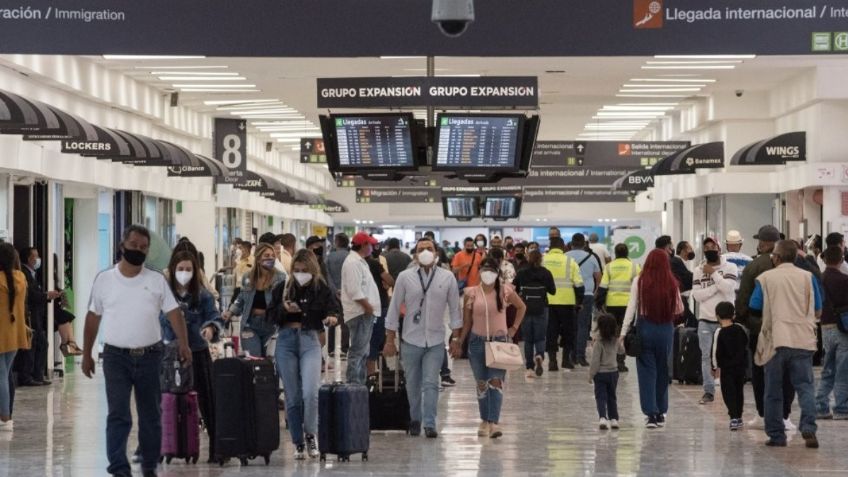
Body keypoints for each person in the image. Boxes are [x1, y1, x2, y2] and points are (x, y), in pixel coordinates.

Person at [82, 225, 192, 477]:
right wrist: (87, 353)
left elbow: (174, 313)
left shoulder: (155, 281)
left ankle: (150, 466)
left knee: (150, 414)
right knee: (118, 414)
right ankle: (119, 469)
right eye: (134, 245)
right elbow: (92, 317)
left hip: (151, 356)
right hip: (114, 357)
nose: (138, 251)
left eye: (144, 247)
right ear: (122, 246)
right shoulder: (105, 279)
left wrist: (183, 344)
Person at [383, 238, 462, 438]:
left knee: (431, 382)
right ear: (415, 255)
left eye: (429, 249)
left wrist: (456, 339)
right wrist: (389, 340)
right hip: (410, 339)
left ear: (436, 254)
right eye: (421, 249)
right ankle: (415, 419)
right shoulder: (404, 277)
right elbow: (393, 310)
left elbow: (455, 309)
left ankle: (429, 423)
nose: (425, 252)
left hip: (436, 339)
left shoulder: (447, 278)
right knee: (413, 383)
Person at [748, 240, 822, 449]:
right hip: (803, 340)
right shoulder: (808, 277)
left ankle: (776, 436)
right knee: (805, 387)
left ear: (778, 258)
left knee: (773, 390)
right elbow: (817, 308)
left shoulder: (765, 278)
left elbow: (754, 307)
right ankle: (808, 426)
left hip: (775, 341)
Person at [270, 249, 339, 459]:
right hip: (286, 342)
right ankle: (297, 441)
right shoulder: (282, 288)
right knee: (293, 396)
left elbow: (333, 309)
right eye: (297, 270)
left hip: (310, 341)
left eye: (305, 270)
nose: (300, 274)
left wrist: (331, 318)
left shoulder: (321, 288)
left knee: (311, 392)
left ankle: (311, 434)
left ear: (313, 270)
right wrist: (284, 310)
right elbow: (271, 316)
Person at [159, 250, 223, 463]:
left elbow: (215, 318)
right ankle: (158, 446)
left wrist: (210, 329)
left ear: (195, 271)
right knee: (163, 400)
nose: (184, 273)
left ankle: (216, 448)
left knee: (208, 402)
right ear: (173, 270)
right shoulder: (164, 294)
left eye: (188, 269)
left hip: (197, 353)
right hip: (170, 357)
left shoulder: (202, 295)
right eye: (180, 269)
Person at [454, 258, 526, 439]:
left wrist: (514, 328)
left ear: (497, 272)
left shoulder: (505, 291)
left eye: (491, 270)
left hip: (499, 343)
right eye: (484, 269)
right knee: (481, 383)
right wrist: (459, 341)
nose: (487, 273)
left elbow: (521, 307)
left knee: (495, 381)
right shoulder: (471, 293)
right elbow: (467, 321)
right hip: (477, 343)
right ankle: (484, 419)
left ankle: (493, 422)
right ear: (479, 271)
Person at [736, 225, 796, 430]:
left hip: (759, 329)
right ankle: (785, 415)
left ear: (762, 243)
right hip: (787, 328)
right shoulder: (795, 266)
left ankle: (763, 414)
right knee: (787, 373)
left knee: (760, 372)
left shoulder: (754, 266)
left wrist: (747, 322)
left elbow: (743, 299)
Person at [620, 249, 683, 429]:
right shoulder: (672, 283)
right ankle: (662, 411)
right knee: (663, 370)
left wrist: (623, 333)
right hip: (665, 329)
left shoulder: (639, 281)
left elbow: (631, 308)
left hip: (645, 328)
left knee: (647, 371)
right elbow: (678, 309)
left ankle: (651, 414)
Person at [691, 237, 738, 405]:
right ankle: (708, 391)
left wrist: (713, 274)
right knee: (705, 356)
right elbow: (697, 295)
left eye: (713, 246)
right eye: (706, 247)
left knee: (727, 356)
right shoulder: (698, 270)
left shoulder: (730, 266)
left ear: (719, 248)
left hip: (725, 320)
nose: (710, 249)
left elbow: (728, 288)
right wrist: (715, 286)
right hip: (705, 319)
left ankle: (728, 388)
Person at [223, 243, 285, 358]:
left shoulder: (280, 278)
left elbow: (283, 302)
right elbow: (241, 298)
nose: (270, 258)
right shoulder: (248, 277)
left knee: (270, 363)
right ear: (258, 258)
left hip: (272, 326)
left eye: (272, 255)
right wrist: (230, 312)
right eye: (266, 255)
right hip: (250, 325)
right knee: (254, 361)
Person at [14, 247, 61, 385]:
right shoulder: (23, 274)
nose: (38, 259)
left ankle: (38, 375)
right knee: (32, 345)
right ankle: (27, 376)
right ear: (29, 258)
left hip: (37, 315)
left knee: (41, 344)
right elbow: (30, 296)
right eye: (36, 256)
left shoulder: (33, 274)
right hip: (30, 316)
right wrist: (46, 295)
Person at [341, 232, 381, 385]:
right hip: (360, 313)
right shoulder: (353, 263)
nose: (372, 247)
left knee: (363, 351)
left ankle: (360, 385)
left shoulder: (359, 261)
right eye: (370, 244)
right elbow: (354, 290)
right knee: (358, 352)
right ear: (364, 245)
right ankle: (354, 386)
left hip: (363, 313)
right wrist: (368, 307)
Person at [543, 236, 585, 371]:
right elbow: (579, 284)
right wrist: (580, 301)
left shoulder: (543, 260)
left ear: (550, 247)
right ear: (563, 247)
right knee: (568, 332)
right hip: (567, 302)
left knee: (551, 331)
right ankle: (566, 360)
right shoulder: (570, 261)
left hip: (547, 302)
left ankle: (552, 361)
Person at [815, 246, 848, 420]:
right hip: (843, 328)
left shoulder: (819, 279)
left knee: (828, 368)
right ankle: (842, 408)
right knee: (843, 370)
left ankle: (821, 407)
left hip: (825, 326)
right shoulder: (845, 280)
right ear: (841, 260)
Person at [596, 243, 640, 372]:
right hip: (628, 305)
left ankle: (612, 359)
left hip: (612, 304)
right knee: (624, 332)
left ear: (615, 253)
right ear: (627, 253)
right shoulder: (634, 267)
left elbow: (603, 287)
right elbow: (640, 285)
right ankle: (621, 360)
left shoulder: (609, 267)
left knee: (612, 332)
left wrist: (599, 303)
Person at [514, 249, 556, 378]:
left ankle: (530, 367)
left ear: (528, 258)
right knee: (540, 337)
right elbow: (553, 291)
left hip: (525, 309)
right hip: (542, 308)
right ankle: (539, 355)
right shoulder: (546, 273)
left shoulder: (522, 273)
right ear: (540, 259)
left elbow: (513, 288)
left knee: (528, 340)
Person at [0, 243, 28, 432]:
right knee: (6, 374)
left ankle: (5, 417)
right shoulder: (21, 277)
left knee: (2, 376)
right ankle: (7, 413)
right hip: (15, 334)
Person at [710, 302, 749, 431]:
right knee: (739, 392)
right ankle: (739, 416)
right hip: (740, 367)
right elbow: (745, 345)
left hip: (726, 369)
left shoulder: (719, 332)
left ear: (717, 316)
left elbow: (715, 351)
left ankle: (733, 417)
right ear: (733, 314)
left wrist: (714, 367)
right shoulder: (739, 328)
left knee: (728, 393)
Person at [566, 233, 602, 368]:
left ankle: (571, 356)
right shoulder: (591, 257)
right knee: (583, 327)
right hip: (587, 295)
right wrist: (596, 292)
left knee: (570, 326)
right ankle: (581, 356)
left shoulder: (565, 257)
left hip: (569, 295)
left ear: (571, 243)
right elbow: (599, 278)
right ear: (584, 244)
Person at [366, 246, 394, 377]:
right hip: (379, 305)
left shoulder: (352, 263)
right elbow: (390, 280)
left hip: (361, 307)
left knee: (366, 340)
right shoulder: (375, 264)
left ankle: (368, 373)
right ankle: (372, 373)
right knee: (377, 339)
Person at [590, 313, 621, 430]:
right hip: (614, 373)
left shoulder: (598, 343)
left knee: (600, 397)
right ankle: (614, 419)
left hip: (600, 374)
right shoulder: (615, 341)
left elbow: (595, 361)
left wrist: (590, 375)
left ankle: (602, 417)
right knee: (612, 396)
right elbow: (622, 351)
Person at [326, 233, 351, 357]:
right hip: (348, 293)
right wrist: (344, 290)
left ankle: (331, 349)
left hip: (332, 293)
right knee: (346, 321)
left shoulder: (330, 257)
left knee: (332, 320)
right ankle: (344, 349)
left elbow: (327, 275)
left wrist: (334, 290)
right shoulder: (351, 257)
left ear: (336, 242)